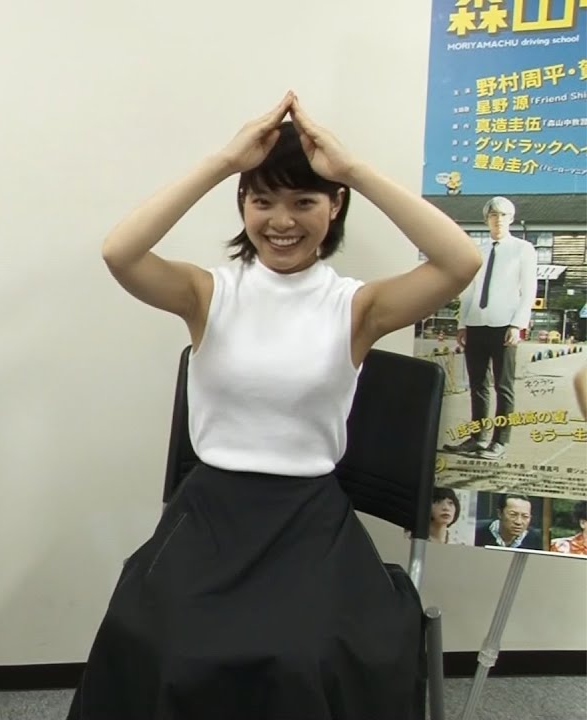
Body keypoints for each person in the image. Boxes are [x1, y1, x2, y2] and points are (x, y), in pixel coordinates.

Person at [69, 91, 482, 719]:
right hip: (210, 513)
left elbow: (461, 260)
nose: (281, 220)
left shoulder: (357, 307)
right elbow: (119, 252)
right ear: (242, 204)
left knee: (306, 660)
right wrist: (223, 162)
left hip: (307, 519)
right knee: (164, 645)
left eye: (303, 201)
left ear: (334, 206)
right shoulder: (207, 293)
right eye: (262, 200)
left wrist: (354, 170)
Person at [444, 196, 538, 460]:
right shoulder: (478, 251)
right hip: (476, 324)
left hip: (504, 326)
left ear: (511, 219)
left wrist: (517, 324)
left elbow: (529, 290)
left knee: (503, 386)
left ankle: (500, 441)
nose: (498, 220)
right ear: (486, 220)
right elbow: (469, 291)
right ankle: (477, 438)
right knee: (477, 385)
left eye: (504, 215)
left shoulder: (523, 249)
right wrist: (462, 324)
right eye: (493, 215)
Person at [474, 494, 542, 550]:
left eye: (525, 516)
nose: (518, 522)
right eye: (513, 515)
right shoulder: (476, 533)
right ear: (500, 514)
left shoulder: (535, 539)